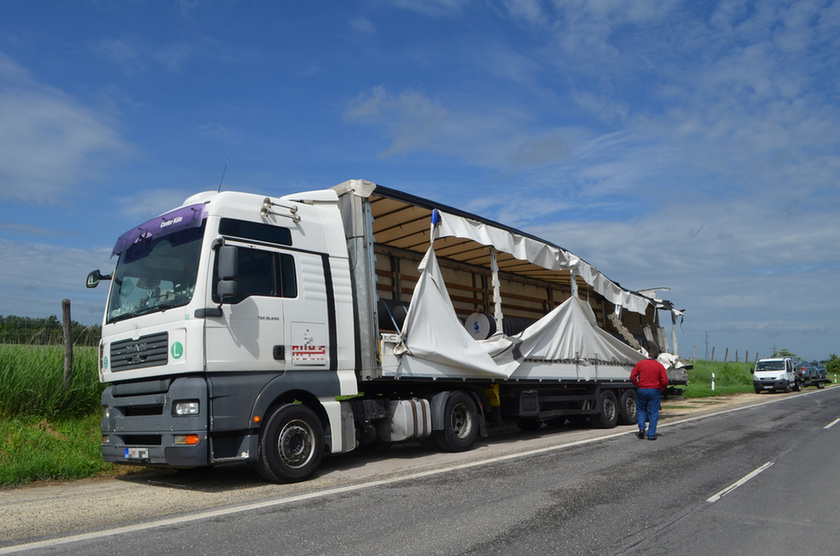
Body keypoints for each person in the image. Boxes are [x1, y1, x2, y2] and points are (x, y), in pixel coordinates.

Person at [630, 349, 669, 440]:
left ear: (647, 354)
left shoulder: (640, 364)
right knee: (653, 412)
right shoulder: (659, 366)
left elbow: (632, 376)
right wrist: (661, 388)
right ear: (656, 357)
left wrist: (638, 384)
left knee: (641, 409)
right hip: (654, 390)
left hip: (642, 389)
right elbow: (665, 381)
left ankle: (642, 428)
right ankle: (651, 434)